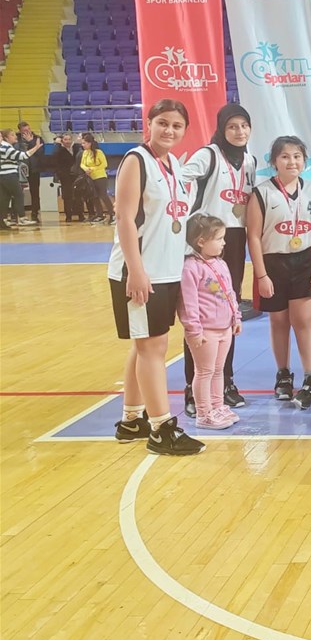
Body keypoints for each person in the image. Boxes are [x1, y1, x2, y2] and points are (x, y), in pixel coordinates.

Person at [110, 99, 204, 455]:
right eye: (162, 122)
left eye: (177, 125)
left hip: (166, 270)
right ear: (148, 123)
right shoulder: (136, 160)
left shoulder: (174, 164)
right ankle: (162, 429)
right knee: (153, 347)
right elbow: (124, 218)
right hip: (140, 271)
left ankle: (132, 420)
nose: (169, 130)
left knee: (144, 345)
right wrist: (136, 270)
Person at [181, 104, 257, 415]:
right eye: (233, 126)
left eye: (244, 125)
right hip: (205, 241)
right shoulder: (208, 155)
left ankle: (225, 381)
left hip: (234, 239)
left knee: (228, 310)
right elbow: (178, 179)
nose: (240, 131)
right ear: (222, 129)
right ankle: (192, 388)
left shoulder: (250, 160)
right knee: (199, 315)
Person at [246, 136, 311, 411]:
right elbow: (253, 237)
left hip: (305, 261)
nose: (292, 161)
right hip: (273, 263)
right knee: (279, 321)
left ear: (304, 160)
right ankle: (283, 373)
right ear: (274, 161)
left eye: (297, 156)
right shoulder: (262, 193)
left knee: (304, 321)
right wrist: (261, 275)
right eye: (285, 156)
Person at [178, 214, 242, 429]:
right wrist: (194, 330)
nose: (224, 243)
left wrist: (236, 316)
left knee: (218, 370)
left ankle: (217, 406)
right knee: (204, 371)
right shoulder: (190, 267)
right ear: (201, 241)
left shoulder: (220, 263)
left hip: (224, 328)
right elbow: (188, 303)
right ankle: (204, 413)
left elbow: (230, 292)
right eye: (219, 238)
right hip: (205, 331)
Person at [0, 129, 42, 229]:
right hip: (9, 175)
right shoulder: (5, 148)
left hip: (3, 175)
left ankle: (3, 220)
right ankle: (22, 218)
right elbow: (22, 156)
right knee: (18, 194)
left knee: (5, 198)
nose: (15, 136)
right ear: (6, 138)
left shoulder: (4, 147)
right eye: (12, 135)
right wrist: (36, 147)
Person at [80, 132, 114, 224]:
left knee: (103, 195)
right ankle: (99, 215)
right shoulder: (85, 153)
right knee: (94, 197)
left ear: (89, 143)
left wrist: (92, 169)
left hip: (100, 177)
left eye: (84, 143)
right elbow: (82, 164)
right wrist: (85, 169)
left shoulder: (99, 152)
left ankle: (112, 214)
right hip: (90, 178)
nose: (83, 145)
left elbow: (104, 164)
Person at [52, 133, 86, 222]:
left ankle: (81, 215)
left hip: (77, 176)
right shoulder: (59, 150)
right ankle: (68, 216)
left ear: (72, 140)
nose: (67, 141)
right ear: (62, 141)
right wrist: (57, 145)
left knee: (78, 196)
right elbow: (55, 161)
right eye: (65, 139)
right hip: (65, 177)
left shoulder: (77, 148)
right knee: (67, 197)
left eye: (69, 139)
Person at [17, 122, 45, 222]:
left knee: (35, 192)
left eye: (28, 129)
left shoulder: (37, 138)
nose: (27, 131)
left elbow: (41, 152)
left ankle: (35, 213)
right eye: (24, 130)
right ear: (20, 131)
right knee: (17, 192)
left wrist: (31, 142)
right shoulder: (17, 139)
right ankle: (17, 214)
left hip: (34, 169)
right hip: (21, 170)